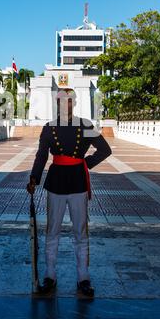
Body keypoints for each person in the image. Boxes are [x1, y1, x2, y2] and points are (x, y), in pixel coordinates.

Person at [26, 88, 112, 297]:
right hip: (55, 182)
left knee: (80, 232)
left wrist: (84, 163)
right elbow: (41, 156)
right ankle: (50, 275)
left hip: (77, 181)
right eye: (61, 101)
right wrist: (34, 178)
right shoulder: (49, 128)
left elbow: (105, 150)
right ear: (57, 103)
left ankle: (83, 277)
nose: (65, 104)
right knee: (52, 231)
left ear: (74, 102)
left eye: (69, 101)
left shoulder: (85, 125)